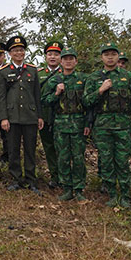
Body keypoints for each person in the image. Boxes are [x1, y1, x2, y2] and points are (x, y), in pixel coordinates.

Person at [83, 42, 131, 207]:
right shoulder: (94, 78)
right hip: (102, 126)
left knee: (122, 161)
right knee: (106, 161)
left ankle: (125, 195)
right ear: (101, 57)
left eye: (113, 54)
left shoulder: (128, 76)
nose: (110, 57)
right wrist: (100, 90)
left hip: (123, 126)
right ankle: (112, 194)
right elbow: (86, 101)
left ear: (118, 56)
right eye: (106, 54)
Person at [42, 47, 90, 202]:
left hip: (78, 124)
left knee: (78, 158)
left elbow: (89, 103)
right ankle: (67, 188)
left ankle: (79, 189)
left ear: (76, 61)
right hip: (60, 124)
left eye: (71, 59)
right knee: (62, 158)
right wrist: (56, 93)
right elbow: (45, 101)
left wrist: (88, 124)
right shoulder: (54, 80)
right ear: (61, 62)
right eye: (65, 59)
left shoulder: (84, 79)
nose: (68, 61)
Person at [0, 35, 44, 193]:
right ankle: (16, 179)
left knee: (30, 150)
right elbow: (1, 97)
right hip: (12, 117)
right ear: (10, 53)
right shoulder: (3, 72)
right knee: (13, 150)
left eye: (21, 50)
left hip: (30, 116)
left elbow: (37, 95)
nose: (19, 53)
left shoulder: (32, 70)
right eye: (15, 50)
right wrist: (3, 118)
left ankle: (31, 180)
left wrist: (39, 116)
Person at [38, 41, 63, 188]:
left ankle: (65, 177)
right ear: (46, 56)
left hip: (62, 119)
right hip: (45, 117)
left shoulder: (66, 73)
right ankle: (55, 177)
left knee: (63, 149)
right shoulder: (39, 74)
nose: (53, 57)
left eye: (56, 54)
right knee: (49, 148)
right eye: (50, 54)